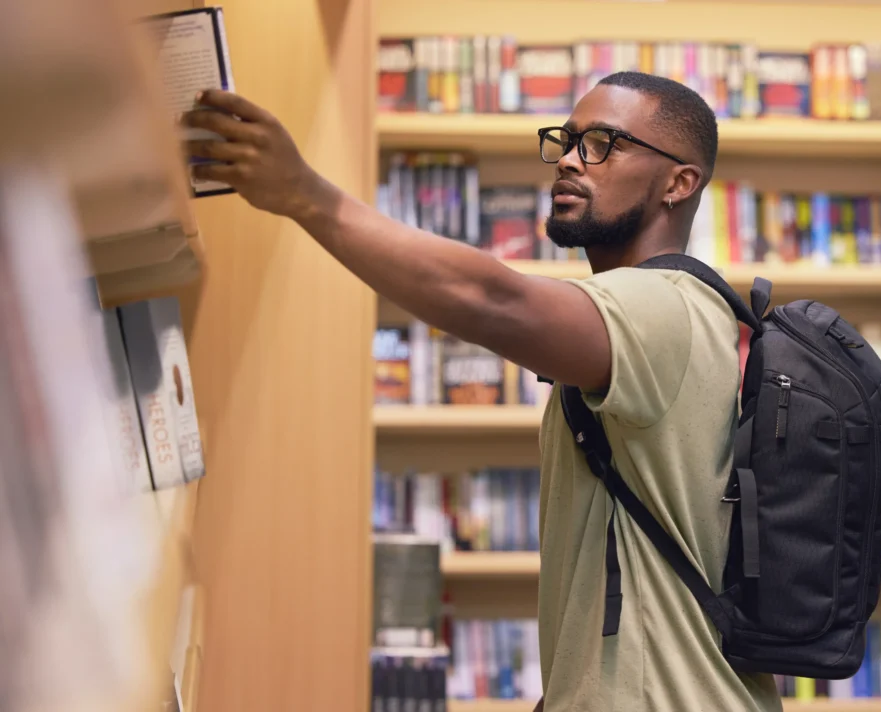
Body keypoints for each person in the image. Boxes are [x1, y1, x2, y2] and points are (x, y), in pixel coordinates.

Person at [183, 71, 782, 712]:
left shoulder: (660, 306)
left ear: (679, 183)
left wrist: (307, 196)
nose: (572, 161)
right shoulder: (683, 310)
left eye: (604, 143)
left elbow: (489, 299)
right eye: (568, 140)